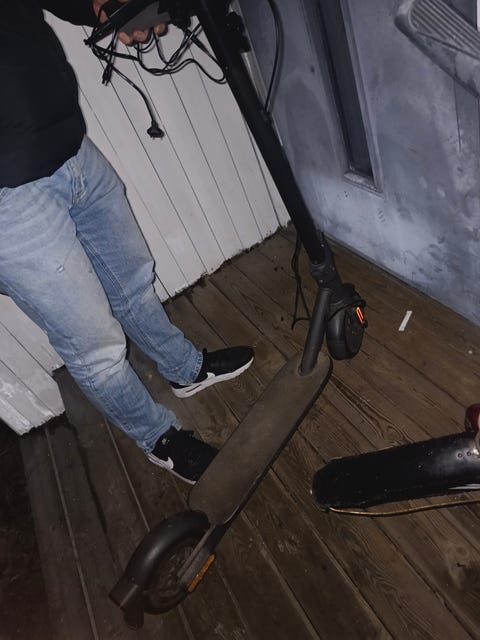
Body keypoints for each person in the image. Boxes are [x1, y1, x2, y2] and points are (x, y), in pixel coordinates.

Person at [0, 0, 254, 484]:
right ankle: (158, 438)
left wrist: (101, 7)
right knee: (96, 346)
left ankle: (184, 369)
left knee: (133, 282)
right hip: (9, 201)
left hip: (70, 144)